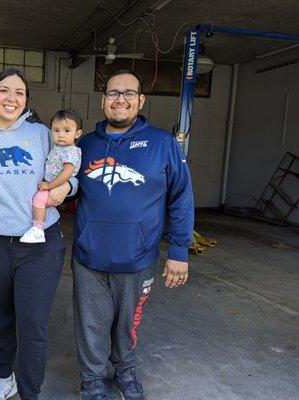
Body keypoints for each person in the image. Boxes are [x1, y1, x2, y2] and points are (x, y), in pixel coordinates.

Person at [73, 69, 194, 400]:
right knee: (90, 325)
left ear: (140, 100)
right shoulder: (84, 145)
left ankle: (124, 373)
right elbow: (61, 186)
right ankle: (92, 382)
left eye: (128, 93)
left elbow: (182, 199)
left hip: (138, 258)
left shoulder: (163, 144)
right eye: (113, 93)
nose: (120, 99)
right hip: (89, 256)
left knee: (128, 324)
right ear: (103, 101)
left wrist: (180, 251)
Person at [0, 68, 77, 400]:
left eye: (19, 93)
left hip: (39, 242)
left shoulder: (43, 134)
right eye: (4, 90)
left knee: (33, 325)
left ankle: (30, 392)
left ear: (27, 100)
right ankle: (5, 378)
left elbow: (71, 164)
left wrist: (69, 186)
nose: (11, 98)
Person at [20, 109, 82, 243]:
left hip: (55, 185)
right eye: (56, 130)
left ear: (77, 134)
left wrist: (49, 185)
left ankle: (38, 229)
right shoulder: (59, 148)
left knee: (39, 200)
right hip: (52, 183)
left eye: (66, 131)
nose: (60, 135)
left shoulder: (70, 152)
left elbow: (67, 173)